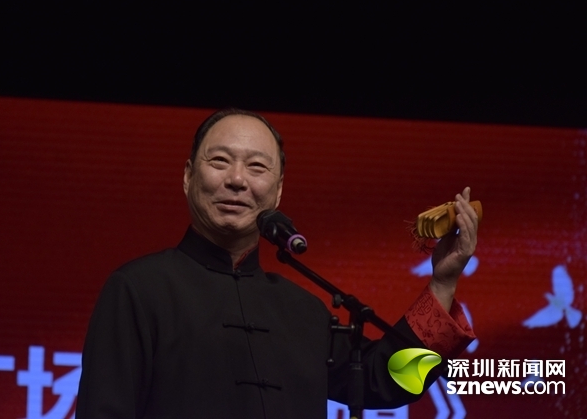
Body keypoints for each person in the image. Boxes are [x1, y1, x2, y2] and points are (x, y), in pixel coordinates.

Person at [76, 108, 477, 418]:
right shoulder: (139, 290)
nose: (237, 179)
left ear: (278, 190)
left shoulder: (303, 311)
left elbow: (384, 381)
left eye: (257, 167)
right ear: (188, 176)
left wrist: (443, 283)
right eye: (220, 161)